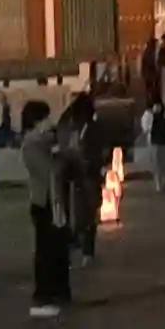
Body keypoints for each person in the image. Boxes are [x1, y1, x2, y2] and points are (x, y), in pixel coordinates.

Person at [21, 99, 70, 318]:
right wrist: (57, 155)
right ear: (36, 121)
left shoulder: (44, 141)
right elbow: (49, 170)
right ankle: (42, 296)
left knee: (56, 247)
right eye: (45, 118)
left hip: (53, 199)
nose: (49, 122)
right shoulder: (32, 144)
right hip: (43, 201)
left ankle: (57, 291)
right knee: (45, 249)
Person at [59, 91, 104, 266]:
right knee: (89, 213)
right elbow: (100, 152)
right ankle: (87, 251)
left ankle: (72, 246)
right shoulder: (93, 127)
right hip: (88, 175)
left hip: (70, 175)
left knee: (72, 212)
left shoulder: (67, 125)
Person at [143, 95, 165, 191]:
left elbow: (146, 129)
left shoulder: (151, 116)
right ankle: (159, 184)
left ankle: (160, 183)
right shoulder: (151, 116)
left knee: (160, 164)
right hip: (158, 142)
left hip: (159, 141)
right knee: (159, 164)